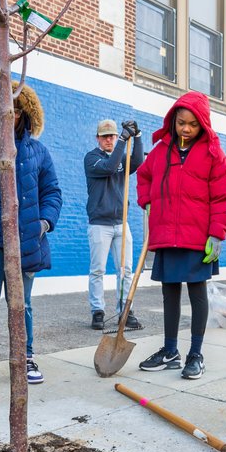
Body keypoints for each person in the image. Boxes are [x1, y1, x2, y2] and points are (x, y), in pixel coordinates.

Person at [0, 81, 62, 385]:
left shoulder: (37, 152)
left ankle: (26, 356)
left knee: (23, 305)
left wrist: (43, 224)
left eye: (18, 109)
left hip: (26, 243)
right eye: (6, 108)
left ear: (25, 113)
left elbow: (52, 193)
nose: (12, 114)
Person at [136, 91, 226, 380]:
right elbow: (144, 176)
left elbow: (224, 198)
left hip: (198, 237)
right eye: (181, 123)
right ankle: (170, 352)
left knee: (197, 292)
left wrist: (217, 234)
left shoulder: (213, 154)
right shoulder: (160, 150)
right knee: (169, 293)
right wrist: (147, 199)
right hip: (166, 233)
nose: (186, 129)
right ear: (173, 121)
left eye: (193, 124)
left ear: (202, 124)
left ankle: (195, 353)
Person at [84, 118, 144, 330]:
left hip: (121, 222)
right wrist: (122, 139)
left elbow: (137, 162)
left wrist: (137, 136)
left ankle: (125, 311)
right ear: (98, 138)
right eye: (105, 136)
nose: (109, 140)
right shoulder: (91, 158)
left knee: (125, 270)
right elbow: (110, 167)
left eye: (112, 135)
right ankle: (97, 311)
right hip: (100, 223)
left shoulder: (121, 156)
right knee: (98, 270)